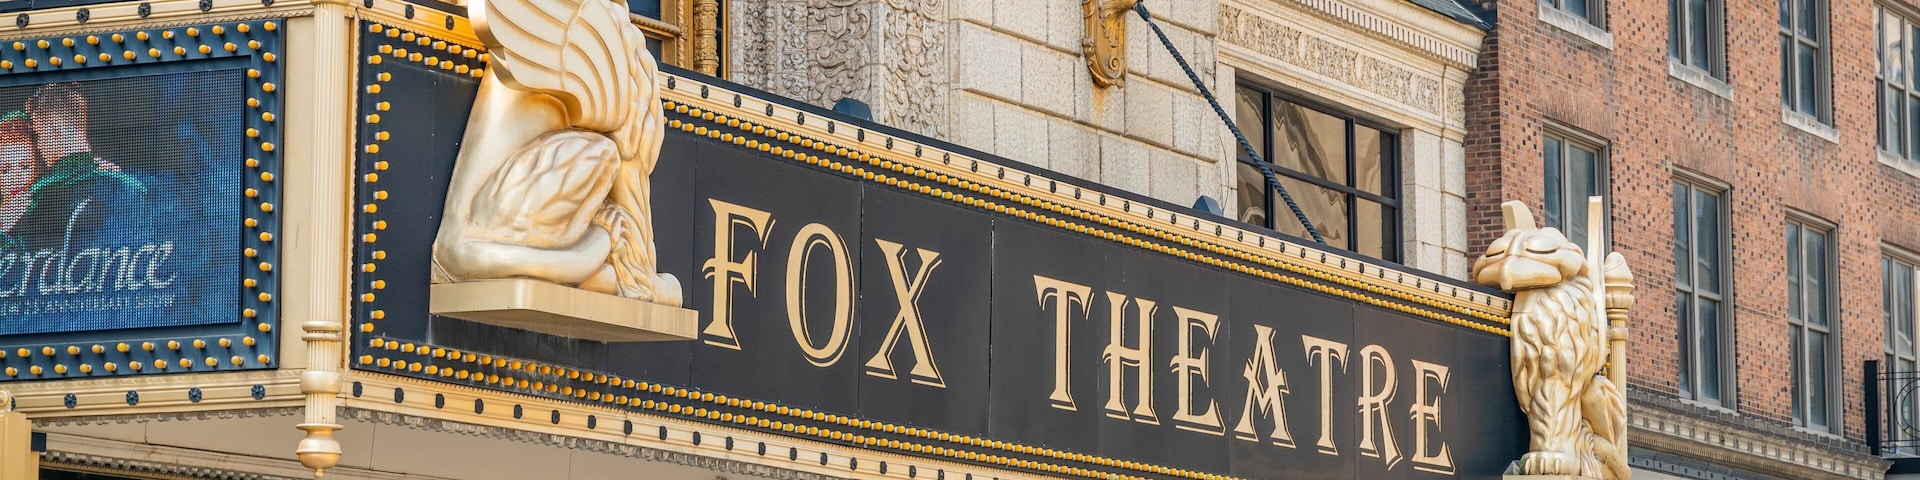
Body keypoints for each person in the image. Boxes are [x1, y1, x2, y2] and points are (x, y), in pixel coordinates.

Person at [9, 82, 153, 252]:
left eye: (38, 135)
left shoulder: (34, 198)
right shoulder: (133, 188)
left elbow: (16, 269)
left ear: (53, 129)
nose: (39, 146)